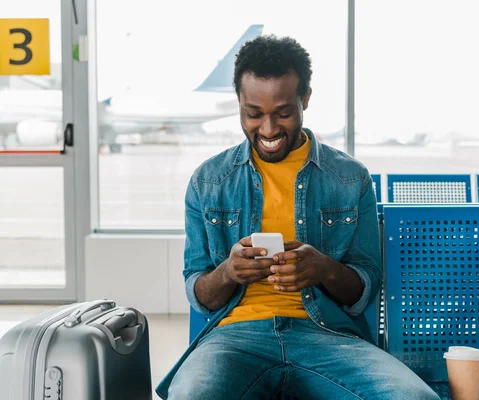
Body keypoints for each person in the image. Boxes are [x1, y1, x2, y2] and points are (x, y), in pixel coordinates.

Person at [156, 34, 439, 400]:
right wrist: (228, 272)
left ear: (305, 99)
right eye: (253, 114)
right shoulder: (209, 181)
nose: (269, 129)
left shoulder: (350, 178)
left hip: (328, 335)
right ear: (239, 104)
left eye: (283, 113)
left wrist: (323, 269)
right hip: (234, 337)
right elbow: (199, 292)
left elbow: (363, 287)